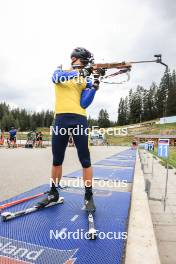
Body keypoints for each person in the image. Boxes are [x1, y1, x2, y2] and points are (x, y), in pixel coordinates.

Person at [37, 47, 103, 211]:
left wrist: (94, 84)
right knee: (57, 159)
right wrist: (81, 73)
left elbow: (84, 103)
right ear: (75, 59)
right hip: (60, 119)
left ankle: (88, 196)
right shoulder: (61, 71)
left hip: (79, 119)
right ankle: (53, 192)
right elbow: (56, 78)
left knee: (85, 160)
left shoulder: (84, 80)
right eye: (86, 61)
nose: (88, 64)